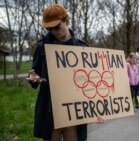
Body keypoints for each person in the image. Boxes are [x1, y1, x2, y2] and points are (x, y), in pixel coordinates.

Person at [27, 4, 103, 141]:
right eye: (49, 28)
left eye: (56, 27)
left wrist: (96, 111)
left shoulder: (82, 47)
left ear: (67, 21)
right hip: (50, 108)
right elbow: (34, 74)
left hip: (74, 110)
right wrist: (33, 78)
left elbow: (92, 82)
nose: (53, 31)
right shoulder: (41, 47)